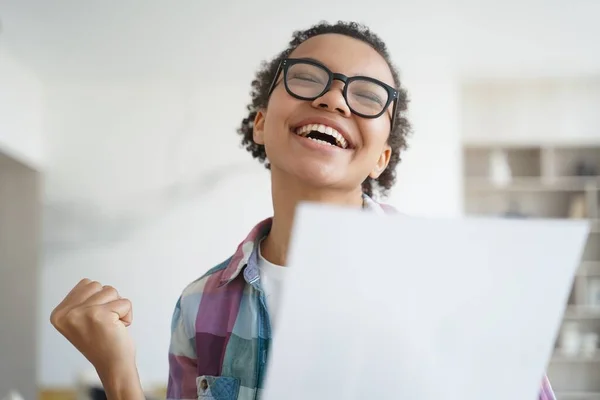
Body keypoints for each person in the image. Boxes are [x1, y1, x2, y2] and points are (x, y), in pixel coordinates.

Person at [50, 21, 556, 400]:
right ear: (261, 122)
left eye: (366, 95)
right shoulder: (199, 306)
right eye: (309, 78)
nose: (335, 99)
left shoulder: (458, 280)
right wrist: (118, 374)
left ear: (382, 157)